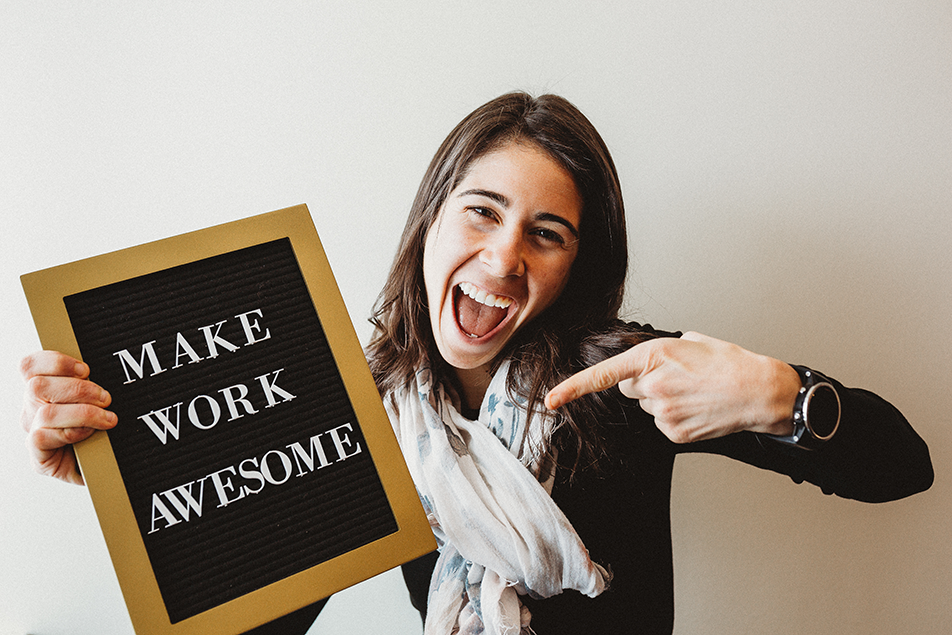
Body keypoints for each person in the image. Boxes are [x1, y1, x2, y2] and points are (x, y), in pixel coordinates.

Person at [20, 92, 933, 635]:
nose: (503, 260)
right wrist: (129, 476)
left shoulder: (625, 374)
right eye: (482, 211)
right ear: (432, 220)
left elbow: (904, 466)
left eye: (548, 232)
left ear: (579, 264)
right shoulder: (358, 410)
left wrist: (783, 395)